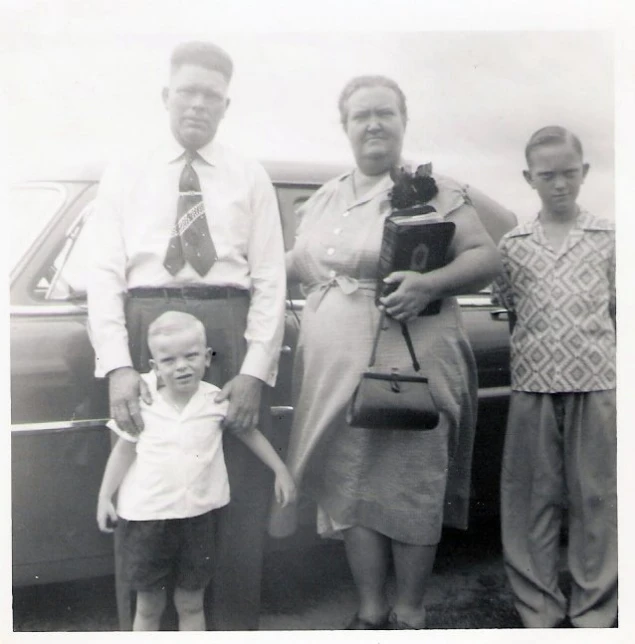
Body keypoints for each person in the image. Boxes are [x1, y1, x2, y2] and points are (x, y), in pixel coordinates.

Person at [268, 75, 505, 630]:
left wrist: (430, 284)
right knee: (350, 490)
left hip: (410, 362)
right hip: (332, 371)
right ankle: (372, 612)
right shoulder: (326, 195)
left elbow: (485, 257)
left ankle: (411, 613)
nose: (373, 124)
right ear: (345, 125)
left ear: (403, 120)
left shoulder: (433, 188)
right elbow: (298, 264)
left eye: (385, 113)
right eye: (360, 115)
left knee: (409, 489)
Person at [86, 41, 286, 630]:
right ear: (166, 96)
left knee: (234, 479)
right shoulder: (127, 168)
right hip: (148, 324)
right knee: (145, 475)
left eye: (211, 96)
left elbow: (271, 277)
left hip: (227, 322)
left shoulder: (248, 174)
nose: (198, 104)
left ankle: (227, 628)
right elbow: (103, 274)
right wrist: (120, 364)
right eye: (187, 92)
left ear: (226, 104)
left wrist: (253, 371)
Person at [96, 311, 296, 631]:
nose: (181, 366)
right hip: (148, 520)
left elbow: (249, 433)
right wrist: (105, 496)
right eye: (169, 360)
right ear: (155, 367)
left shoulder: (214, 400)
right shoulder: (145, 402)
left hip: (199, 519)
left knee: (191, 603)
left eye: (191, 356)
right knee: (149, 607)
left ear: (206, 358)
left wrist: (280, 469)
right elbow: (122, 451)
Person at [492, 126, 617, 628]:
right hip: (533, 385)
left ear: (584, 173)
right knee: (530, 502)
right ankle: (539, 610)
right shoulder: (513, 245)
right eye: (547, 176)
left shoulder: (610, 238)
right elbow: (512, 308)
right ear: (529, 178)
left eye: (569, 173)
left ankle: (594, 612)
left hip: (598, 384)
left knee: (598, 499)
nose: (559, 184)